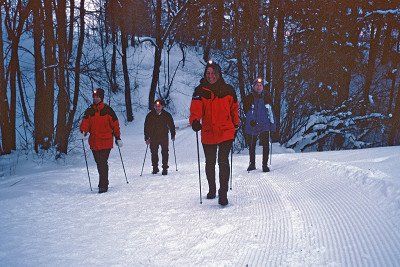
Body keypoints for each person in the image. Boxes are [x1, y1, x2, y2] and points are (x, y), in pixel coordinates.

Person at [189, 61, 239, 206]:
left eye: (213, 73)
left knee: (223, 161)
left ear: (218, 74)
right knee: (210, 162)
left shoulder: (229, 90)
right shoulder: (200, 91)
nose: (210, 76)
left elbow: (234, 109)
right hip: (209, 131)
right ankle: (212, 189)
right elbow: (195, 110)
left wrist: (236, 124)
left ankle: (223, 193)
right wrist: (195, 121)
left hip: (226, 130)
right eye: (208, 73)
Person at [80, 88, 122, 193]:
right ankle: (104, 182)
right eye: (94, 97)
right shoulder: (89, 110)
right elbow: (85, 123)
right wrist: (83, 131)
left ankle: (103, 185)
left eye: (97, 96)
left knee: (102, 162)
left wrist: (118, 138)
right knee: (99, 163)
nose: (95, 98)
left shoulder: (108, 110)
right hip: (94, 141)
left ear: (101, 97)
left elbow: (115, 125)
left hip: (106, 141)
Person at [243, 78, 276, 172]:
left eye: (260, 85)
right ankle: (252, 164)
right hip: (252, 125)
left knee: (265, 144)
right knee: (252, 145)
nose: (258, 87)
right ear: (253, 87)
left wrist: (273, 126)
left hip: (264, 124)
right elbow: (246, 112)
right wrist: (251, 120)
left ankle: (264, 165)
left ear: (263, 87)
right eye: (256, 85)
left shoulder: (267, 97)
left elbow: (270, 112)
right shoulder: (248, 98)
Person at [144, 99, 176, 175]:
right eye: (156, 106)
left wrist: (173, 134)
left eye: (159, 106)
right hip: (153, 137)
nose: (157, 108)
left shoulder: (167, 115)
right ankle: (155, 168)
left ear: (162, 106)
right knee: (154, 152)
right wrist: (146, 137)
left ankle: (165, 168)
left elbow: (171, 125)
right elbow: (146, 127)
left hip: (164, 136)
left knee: (165, 152)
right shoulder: (150, 115)